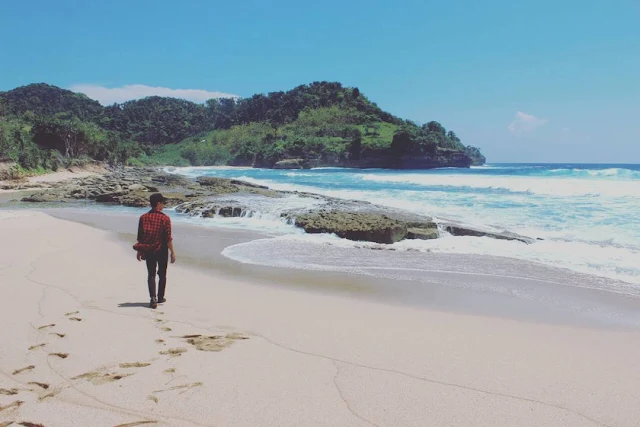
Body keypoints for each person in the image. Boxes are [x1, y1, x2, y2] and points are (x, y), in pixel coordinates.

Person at [135, 193, 176, 309]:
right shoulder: (165, 218)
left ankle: (153, 298)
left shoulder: (143, 217)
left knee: (151, 274)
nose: (163, 205)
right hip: (162, 250)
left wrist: (139, 251)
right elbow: (168, 238)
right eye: (163, 203)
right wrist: (172, 252)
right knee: (162, 274)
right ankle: (160, 297)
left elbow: (140, 236)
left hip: (148, 249)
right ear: (158, 203)